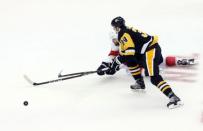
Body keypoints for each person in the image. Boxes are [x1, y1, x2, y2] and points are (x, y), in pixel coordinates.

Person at [97, 16, 183, 109]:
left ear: (116, 28)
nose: (115, 42)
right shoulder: (125, 31)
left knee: (154, 78)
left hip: (150, 51)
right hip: (144, 51)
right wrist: (110, 65)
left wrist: (115, 65)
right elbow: (122, 55)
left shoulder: (123, 35)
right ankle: (139, 82)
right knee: (130, 61)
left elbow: (128, 54)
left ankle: (174, 97)